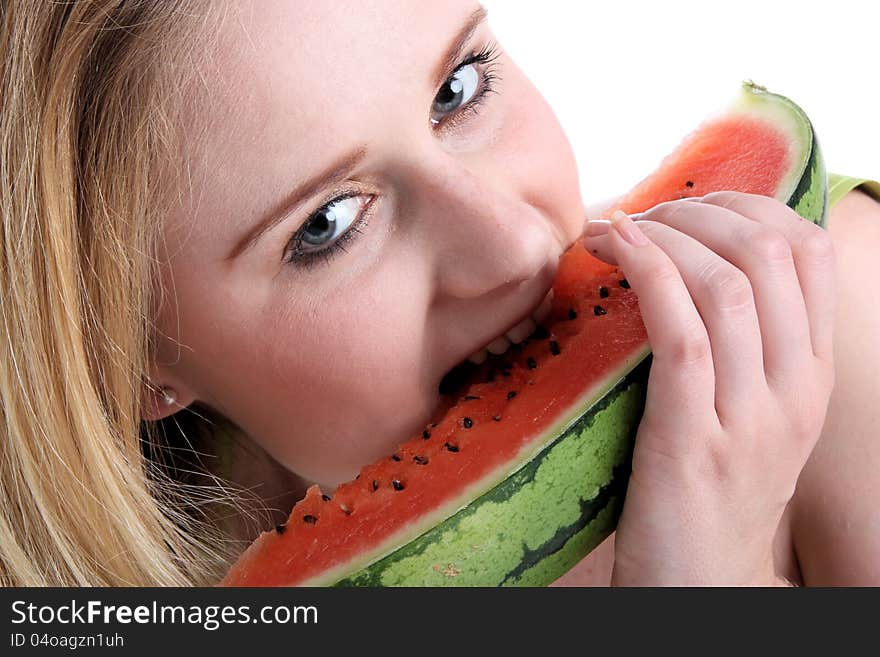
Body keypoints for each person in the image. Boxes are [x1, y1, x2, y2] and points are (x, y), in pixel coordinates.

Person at [1, 0, 878, 587]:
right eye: (327, 225)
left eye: (458, 91)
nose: (516, 241)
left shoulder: (840, 314)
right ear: (127, 355)